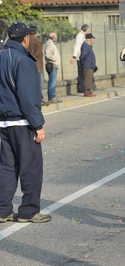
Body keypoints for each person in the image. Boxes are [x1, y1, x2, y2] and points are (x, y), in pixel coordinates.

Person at [0, 22, 51, 223]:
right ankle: (29, 210)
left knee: (6, 166)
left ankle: (3, 209)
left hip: (3, 122)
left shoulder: (1, 56)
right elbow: (29, 98)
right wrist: (38, 125)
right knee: (31, 167)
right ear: (25, 39)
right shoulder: (24, 60)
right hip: (22, 122)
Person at [28, 26, 49, 106]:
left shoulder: (25, 40)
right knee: (39, 83)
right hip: (37, 66)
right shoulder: (38, 41)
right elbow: (38, 54)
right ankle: (39, 100)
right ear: (36, 32)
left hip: (27, 65)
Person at [70, 24, 89, 93]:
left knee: (85, 71)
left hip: (83, 57)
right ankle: (81, 87)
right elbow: (77, 46)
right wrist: (74, 56)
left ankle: (83, 86)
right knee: (81, 72)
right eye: (88, 30)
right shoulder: (80, 36)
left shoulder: (83, 36)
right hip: (80, 57)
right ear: (86, 30)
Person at [44, 32, 62, 103]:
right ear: (54, 37)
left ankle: (53, 96)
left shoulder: (50, 43)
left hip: (52, 64)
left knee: (53, 81)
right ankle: (51, 97)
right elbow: (48, 54)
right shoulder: (50, 44)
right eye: (56, 36)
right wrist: (55, 58)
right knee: (52, 81)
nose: (57, 37)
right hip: (52, 64)